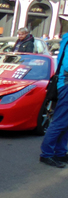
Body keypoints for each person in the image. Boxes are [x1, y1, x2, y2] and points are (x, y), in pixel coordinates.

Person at [40, 32, 68, 168]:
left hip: (65, 84)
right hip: (66, 85)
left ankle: (60, 152)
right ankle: (47, 154)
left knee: (65, 123)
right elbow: (67, 66)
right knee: (59, 122)